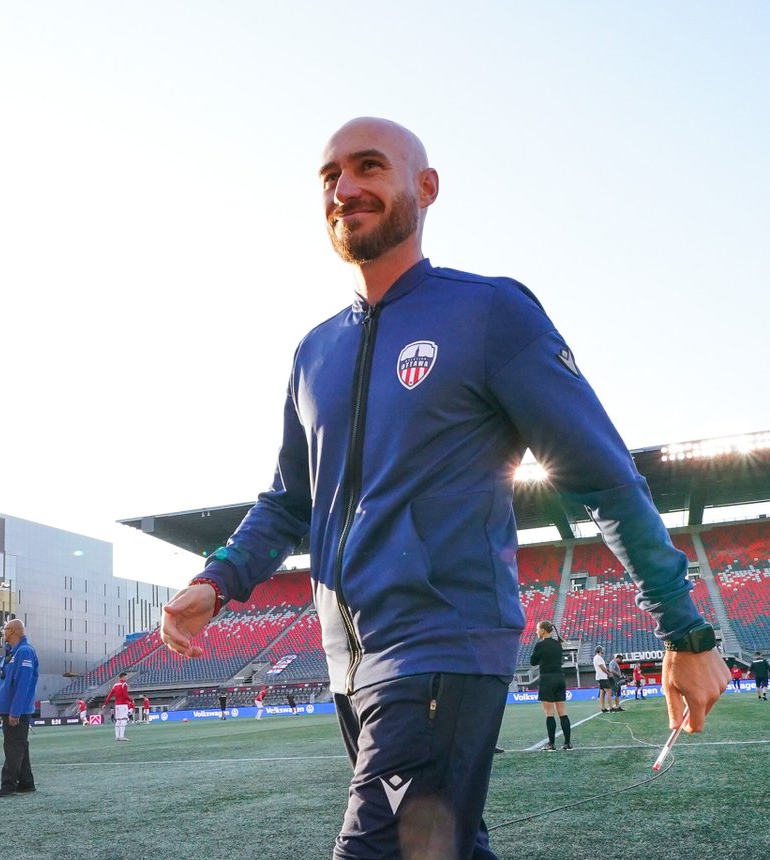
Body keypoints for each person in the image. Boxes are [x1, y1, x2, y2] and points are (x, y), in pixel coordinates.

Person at [158, 117, 729, 860]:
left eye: (369, 166)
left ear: (425, 188)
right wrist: (218, 579)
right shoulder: (313, 352)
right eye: (330, 176)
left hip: (442, 643)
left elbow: (605, 478)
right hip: (348, 663)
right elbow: (290, 501)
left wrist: (684, 630)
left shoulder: (489, 314)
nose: (345, 187)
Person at [0, 619, 39, 798]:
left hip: (17, 710)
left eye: (5, 630)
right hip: (9, 709)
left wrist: (15, 712)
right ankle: (26, 783)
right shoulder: (11, 653)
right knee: (20, 745)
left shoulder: (24, 652)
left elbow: (23, 684)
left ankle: (8, 785)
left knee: (13, 747)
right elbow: (4, 684)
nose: (3, 633)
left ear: (12, 631)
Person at [530, 622, 572, 750]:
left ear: (543, 630)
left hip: (547, 680)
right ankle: (567, 743)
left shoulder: (540, 645)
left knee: (549, 713)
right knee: (563, 713)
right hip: (559, 678)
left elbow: (533, 662)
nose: (536, 632)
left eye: (537, 630)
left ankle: (551, 744)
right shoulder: (558, 644)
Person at [102, 672, 135, 741]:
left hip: (117, 705)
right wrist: (131, 700)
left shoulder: (115, 685)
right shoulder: (124, 684)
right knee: (124, 719)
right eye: (126, 676)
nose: (127, 678)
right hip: (123, 704)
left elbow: (110, 695)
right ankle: (121, 736)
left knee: (118, 720)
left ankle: (117, 736)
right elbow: (125, 696)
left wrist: (105, 703)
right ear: (123, 677)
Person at [593, 647, 614, 714]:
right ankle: (611, 707)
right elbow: (602, 667)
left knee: (602, 692)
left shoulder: (597, 657)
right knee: (609, 691)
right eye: (602, 651)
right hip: (602, 677)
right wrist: (608, 673)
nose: (603, 652)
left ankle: (603, 708)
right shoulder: (598, 658)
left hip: (600, 677)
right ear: (600, 651)